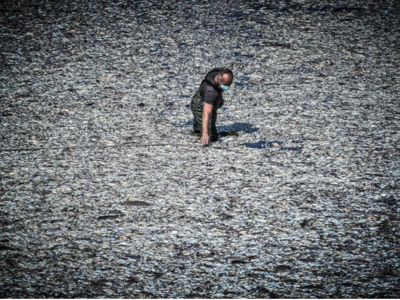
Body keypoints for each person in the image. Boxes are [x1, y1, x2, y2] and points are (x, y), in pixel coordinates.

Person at [190, 68, 233, 145]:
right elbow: (206, 113)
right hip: (200, 104)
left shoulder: (217, 71)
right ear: (218, 78)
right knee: (212, 136)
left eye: (228, 84)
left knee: (202, 123)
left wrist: (220, 99)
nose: (227, 87)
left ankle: (197, 128)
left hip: (203, 95)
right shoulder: (211, 91)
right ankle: (201, 132)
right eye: (225, 85)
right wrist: (205, 134)